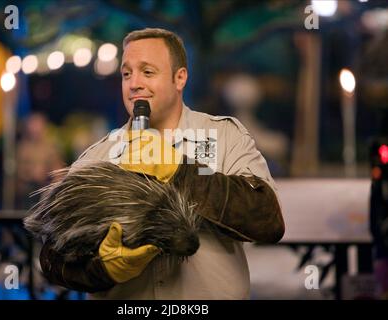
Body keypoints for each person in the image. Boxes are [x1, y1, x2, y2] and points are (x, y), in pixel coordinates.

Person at [38, 28, 285, 299]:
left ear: (180, 78)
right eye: (126, 73)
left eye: (147, 72)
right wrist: (102, 270)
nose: (134, 84)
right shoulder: (98, 158)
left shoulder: (217, 137)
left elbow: (267, 221)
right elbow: (53, 258)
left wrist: (179, 171)